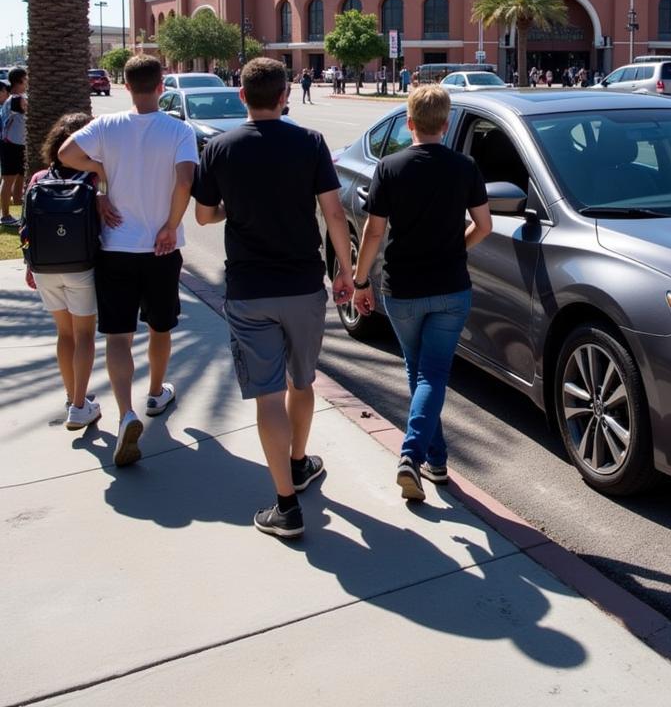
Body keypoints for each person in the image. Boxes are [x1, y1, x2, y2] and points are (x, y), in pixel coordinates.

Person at [193, 58, 355, 539]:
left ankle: (286, 505)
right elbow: (334, 213)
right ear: (285, 95)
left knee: (268, 395)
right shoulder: (309, 143)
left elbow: (203, 217)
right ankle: (301, 462)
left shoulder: (219, 148)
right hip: (304, 285)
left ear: (241, 95)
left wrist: (233, 207)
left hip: (249, 290)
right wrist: (347, 272)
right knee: (301, 383)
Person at [352, 85, 492, 501]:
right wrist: (455, 247)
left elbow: (374, 231)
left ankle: (415, 456)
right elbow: (483, 226)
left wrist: (360, 282)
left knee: (419, 373)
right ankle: (434, 459)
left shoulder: (390, 167)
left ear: (409, 123)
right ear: (446, 125)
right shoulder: (465, 167)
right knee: (430, 375)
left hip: (403, 289)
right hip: (451, 288)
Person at [60, 55, 198, 468]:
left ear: (124, 86)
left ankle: (126, 413)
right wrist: (171, 226)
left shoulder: (107, 126)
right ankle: (156, 392)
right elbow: (186, 181)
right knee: (161, 325)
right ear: (161, 87)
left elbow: (66, 152)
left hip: (115, 247)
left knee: (118, 337)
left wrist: (100, 174)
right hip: (161, 250)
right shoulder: (179, 130)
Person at [24, 112, 105, 430]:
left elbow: (26, 226)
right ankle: (80, 405)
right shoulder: (94, 179)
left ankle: (73, 396)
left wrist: (30, 265)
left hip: (45, 267)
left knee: (65, 333)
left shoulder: (38, 178)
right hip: (82, 266)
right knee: (85, 334)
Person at [1, 67, 28, 226]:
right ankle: (5, 216)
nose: (28, 81)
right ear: (20, 80)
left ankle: (18, 206)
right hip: (10, 145)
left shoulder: (18, 97)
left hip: (18, 145)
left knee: (20, 178)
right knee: (8, 180)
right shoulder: (16, 100)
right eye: (26, 78)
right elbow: (28, 109)